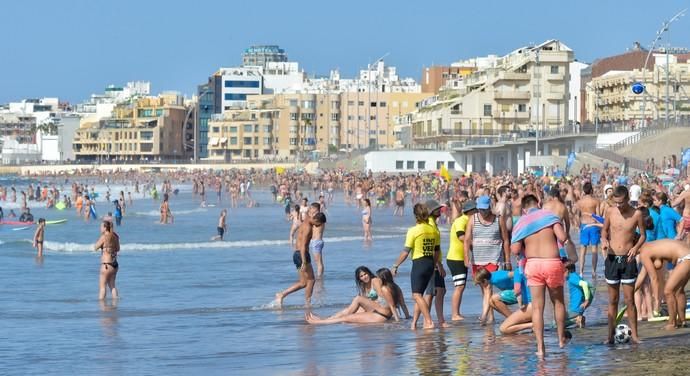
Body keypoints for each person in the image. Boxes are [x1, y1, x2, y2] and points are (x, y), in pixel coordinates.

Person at [511, 194, 570, 357]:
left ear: (524, 209)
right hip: (552, 262)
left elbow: (515, 250)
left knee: (537, 308)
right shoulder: (550, 216)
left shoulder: (521, 222)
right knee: (558, 302)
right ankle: (560, 339)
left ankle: (540, 348)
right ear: (539, 203)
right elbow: (563, 238)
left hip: (533, 265)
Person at [601, 186, 645, 344]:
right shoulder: (610, 212)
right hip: (612, 259)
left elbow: (643, 235)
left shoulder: (637, 214)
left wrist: (635, 248)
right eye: (616, 202)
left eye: (621, 202)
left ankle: (635, 336)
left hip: (628, 260)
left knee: (629, 300)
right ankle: (609, 336)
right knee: (612, 300)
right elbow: (604, 231)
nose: (618, 205)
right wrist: (604, 240)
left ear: (627, 199)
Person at [392, 203, 440, 329]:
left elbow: (405, 252)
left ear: (415, 216)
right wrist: (434, 265)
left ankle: (429, 321)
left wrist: (395, 265)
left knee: (417, 295)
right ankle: (414, 323)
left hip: (419, 264)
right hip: (430, 263)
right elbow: (437, 251)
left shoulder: (413, 230)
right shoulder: (433, 230)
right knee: (419, 295)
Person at [465, 195, 511, 324]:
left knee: (488, 287)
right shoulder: (473, 219)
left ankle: (484, 316)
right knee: (484, 289)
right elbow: (467, 240)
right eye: (480, 210)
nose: (482, 212)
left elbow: (506, 240)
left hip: (494, 258)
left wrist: (507, 260)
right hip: (477, 259)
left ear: (489, 207)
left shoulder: (498, 220)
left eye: (485, 209)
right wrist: (466, 257)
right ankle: (491, 316)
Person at [306, 268, 410, 324]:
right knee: (347, 310)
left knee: (355, 303)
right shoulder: (395, 287)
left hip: (380, 310)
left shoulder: (376, 282)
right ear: (359, 278)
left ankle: (321, 322)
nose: (364, 277)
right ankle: (325, 319)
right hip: (377, 309)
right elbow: (402, 304)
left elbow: (386, 301)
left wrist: (398, 320)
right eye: (361, 276)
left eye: (365, 274)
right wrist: (407, 317)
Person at [275, 206, 322, 307]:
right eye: (318, 224)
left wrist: (312, 211)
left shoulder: (306, 220)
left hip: (296, 254)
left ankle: (282, 294)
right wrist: (304, 262)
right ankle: (308, 303)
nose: (318, 227)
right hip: (302, 254)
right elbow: (303, 246)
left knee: (303, 282)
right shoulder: (308, 228)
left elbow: (309, 212)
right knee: (311, 280)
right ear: (316, 220)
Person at [639, 239, 690, 329]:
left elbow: (654, 278)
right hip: (686, 254)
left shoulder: (644, 252)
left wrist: (657, 300)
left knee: (668, 291)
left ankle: (672, 323)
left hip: (685, 257)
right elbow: (642, 276)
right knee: (679, 291)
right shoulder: (650, 246)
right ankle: (682, 321)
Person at [416, 199, 448, 328]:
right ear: (430, 211)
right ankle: (426, 321)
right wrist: (438, 264)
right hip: (432, 262)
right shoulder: (430, 224)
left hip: (435, 261)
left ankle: (440, 320)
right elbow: (432, 247)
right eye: (437, 209)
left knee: (441, 290)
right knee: (430, 293)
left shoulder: (433, 223)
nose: (439, 210)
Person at [446, 200, 476, 321]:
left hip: (460, 257)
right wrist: (474, 244)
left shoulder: (467, 220)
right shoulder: (461, 221)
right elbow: (461, 236)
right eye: (476, 210)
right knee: (459, 286)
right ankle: (454, 314)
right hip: (455, 258)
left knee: (461, 286)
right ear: (470, 211)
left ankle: (457, 313)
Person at [573, 182, 602, 278]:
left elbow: (576, 215)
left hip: (584, 225)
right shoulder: (596, 201)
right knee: (594, 249)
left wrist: (578, 225)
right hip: (593, 225)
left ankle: (581, 271)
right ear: (591, 190)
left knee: (583, 249)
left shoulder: (580, 202)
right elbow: (598, 216)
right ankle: (593, 271)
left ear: (584, 191)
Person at [94, 220, 120, 300]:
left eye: (101, 227)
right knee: (112, 286)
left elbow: (95, 247)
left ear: (105, 228)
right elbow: (118, 249)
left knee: (102, 287)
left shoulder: (104, 237)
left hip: (106, 265)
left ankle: (102, 306)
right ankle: (115, 304)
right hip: (114, 265)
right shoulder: (115, 236)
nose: (100, 228)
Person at [565, 263, 594, 328]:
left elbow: (584, 284)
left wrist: (586, 300)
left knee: (555, 323)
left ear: (567, 270)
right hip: (579, 307)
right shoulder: (576, 276)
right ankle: (579, 318)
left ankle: (576, 320)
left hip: (575, 308)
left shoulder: (572, 278)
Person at [310, 207, 327, 278]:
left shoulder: (319, 222)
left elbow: (311, 218)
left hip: (316, 242)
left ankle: (319, 277)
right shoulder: (321, 221)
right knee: (318, 262)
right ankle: (320, 275)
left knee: (318, 262)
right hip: (318, 242)